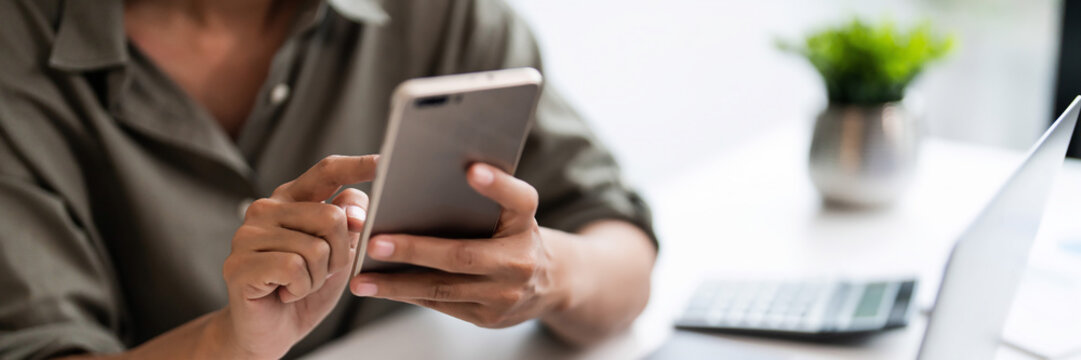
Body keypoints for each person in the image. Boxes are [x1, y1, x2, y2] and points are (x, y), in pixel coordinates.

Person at [0, 0, 658, 358]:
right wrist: (232, 344)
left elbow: (623, 262)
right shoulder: (14, 56)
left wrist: (548, 275)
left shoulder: (441, 14)